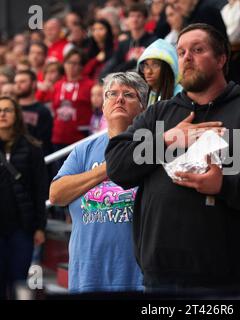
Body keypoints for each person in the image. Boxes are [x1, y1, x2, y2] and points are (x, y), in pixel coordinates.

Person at [105, 23, 240, 296]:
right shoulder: (157, 114)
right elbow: (117, 166)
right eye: (181, 52)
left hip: (229, 281)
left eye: (197, 50)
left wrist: (225, 186)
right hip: (161, 277)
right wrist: (166, 141)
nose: (186, 58)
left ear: (221, 59)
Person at [49, 72, 147, 294]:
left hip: (134, 277)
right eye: (112, 94)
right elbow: (56, 194)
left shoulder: (149, 150)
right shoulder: (85, 149)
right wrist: (111, 167)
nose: (119, 99)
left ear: (143, 108)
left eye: (128, 95)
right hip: (86, 276)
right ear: (103, 106)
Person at [0, 96, 48, 299]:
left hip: (23, 226)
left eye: (7, 110)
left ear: (17, 115)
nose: (2, 114)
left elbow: (40, 190)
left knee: (20, 280)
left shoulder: (33, 148)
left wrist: (40, 227)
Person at [100, 3, 157, 77]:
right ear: (126, 20)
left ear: (145, 19)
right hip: (125, 81)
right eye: (132, 16)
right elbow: (113, 68)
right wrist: (133, 61)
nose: (135, 19)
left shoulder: (153, 42)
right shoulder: (123, 44)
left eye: (139, 16)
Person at [14, 70, 53, 156]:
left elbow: (45, 142)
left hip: (33, 157)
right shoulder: (10, 108)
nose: (18, 85)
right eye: (16, 82)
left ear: (33, 84)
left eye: (22, 81)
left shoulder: (43, 111)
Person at [137, 38, 182, 106]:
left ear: (169, 67)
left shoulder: (180, 95)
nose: (149, 71)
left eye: (155, 65)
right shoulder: (143, 95)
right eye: (146, 65)